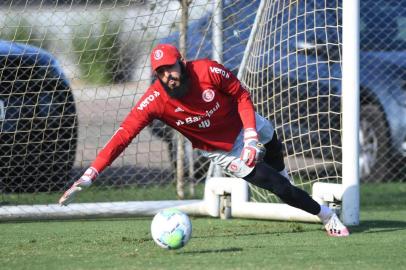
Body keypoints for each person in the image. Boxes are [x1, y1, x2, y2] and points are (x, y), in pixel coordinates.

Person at [59, 44, 349, 237]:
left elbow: (241, 95)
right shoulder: (154, 101)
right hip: (222, 150)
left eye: (170, 68)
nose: (167, 76)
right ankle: (325, 215)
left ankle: (283, 172)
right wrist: (91, 172)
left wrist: (250, 135)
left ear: (182, 63)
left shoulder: (208, 70)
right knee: (276, 185)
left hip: (242, 122)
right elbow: (122, 136)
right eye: (160, 72)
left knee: (272, 138)